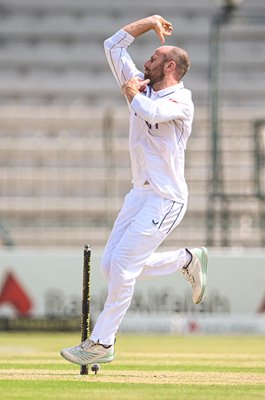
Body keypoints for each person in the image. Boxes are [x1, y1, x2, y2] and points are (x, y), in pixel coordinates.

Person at [61, 15, 208, 366]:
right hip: (139, 194)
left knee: (125, 265)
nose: (146, 62)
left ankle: (102, 342)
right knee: (113, 266)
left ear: (169, 66)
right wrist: (150, 22)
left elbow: (152, 112)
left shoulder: (180, 100)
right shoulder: (141, 84)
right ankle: (185, 260)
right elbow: (112, 45)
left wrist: (132, 93)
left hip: (166, 197)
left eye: (154, 58)